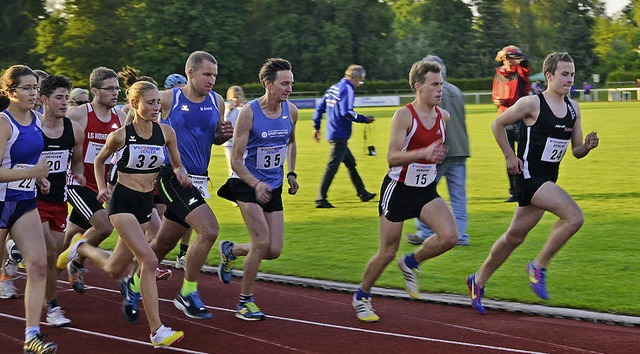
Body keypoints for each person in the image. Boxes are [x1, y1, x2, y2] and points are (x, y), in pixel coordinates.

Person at [466, 52, 600, 315]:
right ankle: (538, 267)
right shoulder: (532, 104)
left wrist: (588, 146)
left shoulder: (574, 108)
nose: (569, 79)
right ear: (549, 75)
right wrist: (509, 155)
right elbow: (497, 124)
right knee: (574, 217)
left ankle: (477, 280)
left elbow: (576, 151)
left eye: (572, 74)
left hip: (547, 179)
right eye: (564, 74)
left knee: (513, 237)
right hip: (529, 178)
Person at [57, 81, 186, 347]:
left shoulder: (167, 133)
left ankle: (80, 247)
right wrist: (103, 187)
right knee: (148, 261)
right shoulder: (121, 136)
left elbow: (176, 163)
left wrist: (180, 172)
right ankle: (157, 331)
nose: (155, 107)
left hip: (144, 203)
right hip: (122, 203)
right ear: (135, 105)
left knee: (115, 268)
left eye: (157, 102)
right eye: (149, 102)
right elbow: (100, 160)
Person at [352, 60, 457, 322]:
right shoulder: (404, 115)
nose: (439, 89)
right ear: (418, 86)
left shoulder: (444, 117)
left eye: (441, 84)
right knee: (387, 251)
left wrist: (434, 157)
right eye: (434, 84)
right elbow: (392, 157)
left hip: (425, 190)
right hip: (398, 190)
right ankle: (362, 296)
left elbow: (435, 153)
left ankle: (410, 262)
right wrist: (424, 152)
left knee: (450, 236)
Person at [147, 51, 232, 320]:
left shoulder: (216, 101)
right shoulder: (169, 98)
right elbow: (135, 116)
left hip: (198, 178)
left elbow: (215, 137)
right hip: (171, 176)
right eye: (207, 74)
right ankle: (187, 293)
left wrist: (222, 135)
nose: (212, 80)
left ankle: (134, 283)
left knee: (164, 242)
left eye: (215, 75)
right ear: (191, 73)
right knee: (209, 231)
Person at [217, 58, 298, 321]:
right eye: (284, 83)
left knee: (273, 249)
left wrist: (291, 172)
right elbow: (236, 161)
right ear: (268, 83)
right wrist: (255, 183)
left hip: (273, 186)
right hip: (246, 184)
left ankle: (231, 250)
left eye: (291, 83)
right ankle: (245, 301)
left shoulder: (291, 111)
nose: (289, 88)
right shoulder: (249, 112)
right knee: (261, 242)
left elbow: (291, 143)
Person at [0, 65, 57, 353]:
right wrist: (34, 171)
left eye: (35, 87)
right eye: (26, 88)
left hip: (23, 202)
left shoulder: (36, 119)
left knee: (37, 264)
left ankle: (31, 335)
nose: (33, 92)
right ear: (10, 92)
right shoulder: (3, 123)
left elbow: (33, 161)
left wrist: (41, 178)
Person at [58, 67, 126, 293]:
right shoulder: (79, 114)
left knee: (69, 236)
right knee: (104, 226)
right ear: (95, 91)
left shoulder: (121, 117)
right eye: (109, 89)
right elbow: (52, 131)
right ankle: (76, 260)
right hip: (76, 182)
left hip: (102, 186)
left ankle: (51, 269)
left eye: (117, 88)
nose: (115, 93)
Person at [406, 55, 470, 247]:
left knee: (422, 191)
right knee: (458, 196)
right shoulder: (457, 91)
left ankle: (425, 232)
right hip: (460, 149)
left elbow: (430, 121)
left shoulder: (433, 92)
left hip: (439, 151)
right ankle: (460, 236)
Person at [38, 75, 85, 327]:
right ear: (44, 100)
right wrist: (35, 177)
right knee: (46, 250)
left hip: (59, 199)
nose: (65, 102)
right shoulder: (34, 128)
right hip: (31, 198)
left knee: (53, 254)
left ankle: (48, 298)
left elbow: (76, 159)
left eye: (67, 97)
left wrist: (77, 172)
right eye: (59, 98)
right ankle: (53, 306)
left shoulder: (73, 130)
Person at [312, 64, 376, 208]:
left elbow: (319, 108)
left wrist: (316, 127)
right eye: (361, 79)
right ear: (356, 77)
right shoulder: (347, 89)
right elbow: (346, 112)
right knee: (332, 167)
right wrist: (363, 119)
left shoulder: (333, 87)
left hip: (333, 132)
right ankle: (321, 199)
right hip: (339, 134)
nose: (360, 82)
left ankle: (362, 193)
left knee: (351, 163)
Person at [492, 45, 531, 202]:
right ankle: (514, 192)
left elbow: (525, 61)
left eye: (511, 58)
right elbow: (495, 95)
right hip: (504, 121)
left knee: (524, 157)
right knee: (510, 158)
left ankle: (525, 189)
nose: (508, 61)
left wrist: (508, 53)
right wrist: (497, 101)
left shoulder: (521, 73)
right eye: (506, 58)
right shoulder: (498, 75)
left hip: (521, 121)